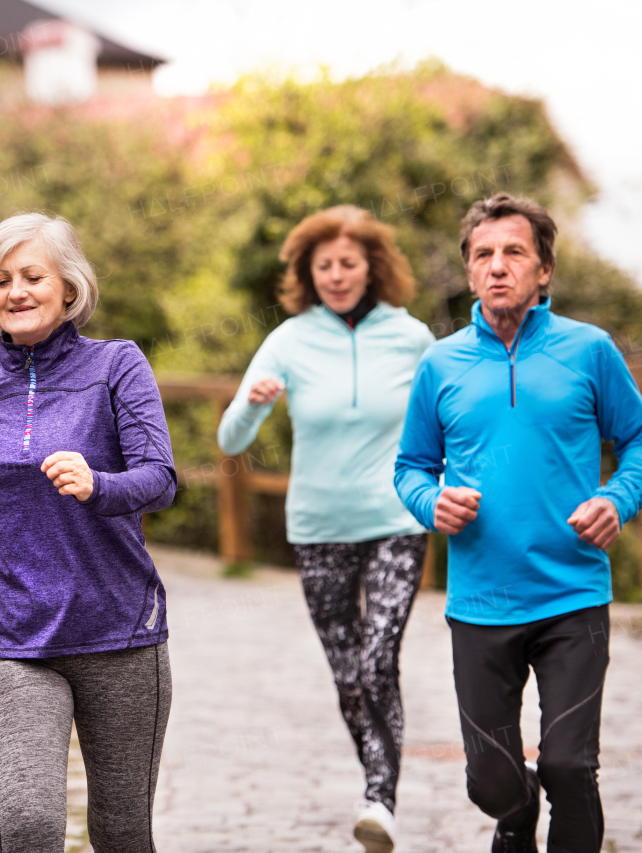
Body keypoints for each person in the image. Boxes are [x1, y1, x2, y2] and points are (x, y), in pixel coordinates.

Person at [395, 193, 642, 852]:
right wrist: (430, 501)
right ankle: (516, 818)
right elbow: (410, 465)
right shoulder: (440, 364)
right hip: (480, 603)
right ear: (467, 272)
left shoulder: (589, 350)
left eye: (514, 252)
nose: (497, 266)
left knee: (571, 767)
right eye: (483, 254)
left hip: (572, 595)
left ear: (543, 270)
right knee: (492, 783)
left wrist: (617, 499)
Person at [0, 212, 176, 853]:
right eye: (1, 280)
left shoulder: (117, 366)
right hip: (12, 632)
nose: (16, 291)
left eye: (32, 276)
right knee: (32, 824)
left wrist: (101, 485)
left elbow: (160, 478)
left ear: (69, 287)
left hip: (118, 627)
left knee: (121, 833)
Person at [217, 205, 435, 852]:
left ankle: (380, 798)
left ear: (373, 268)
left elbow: (448, 419)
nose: (337, 275)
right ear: (308, 274)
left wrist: (449, 481)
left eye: (348, 263)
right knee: (348, 676)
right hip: (318, 528)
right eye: (324, 266)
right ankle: (377, 780)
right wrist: (252, 407)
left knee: (377, 659)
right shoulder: (289, 339)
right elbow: (230, 438)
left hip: (397, 518)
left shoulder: (412, 336)